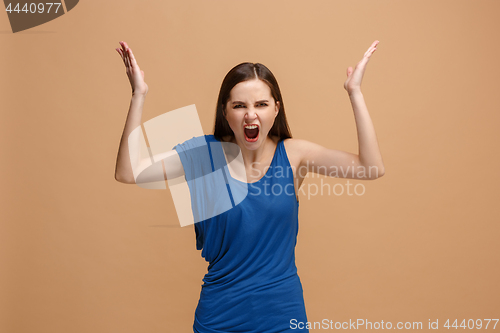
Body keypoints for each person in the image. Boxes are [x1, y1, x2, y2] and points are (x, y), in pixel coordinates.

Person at [114, 40, 385, 332]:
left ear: (276, 109)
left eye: (261, 104)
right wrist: (138, 95)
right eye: (239, 105)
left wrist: (355, 92)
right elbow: (129, 172)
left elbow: (371, 168)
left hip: (282, 316)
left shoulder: (294, 155)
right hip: (219, 317)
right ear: (225, 112)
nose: (250, 114)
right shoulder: (204, 155)